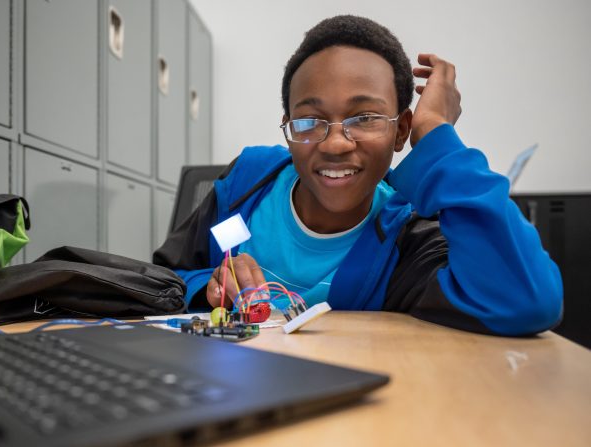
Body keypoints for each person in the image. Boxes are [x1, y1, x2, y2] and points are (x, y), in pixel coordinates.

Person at [153, 15, 563, 335]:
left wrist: (436, 131)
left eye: (364, 117)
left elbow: (526, 301)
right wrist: (207, 286)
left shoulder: (406, 235)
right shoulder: (248, 183)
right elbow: (167, 275)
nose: (334, 144)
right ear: (287, 126)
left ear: (402, 129)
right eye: (310, 120)